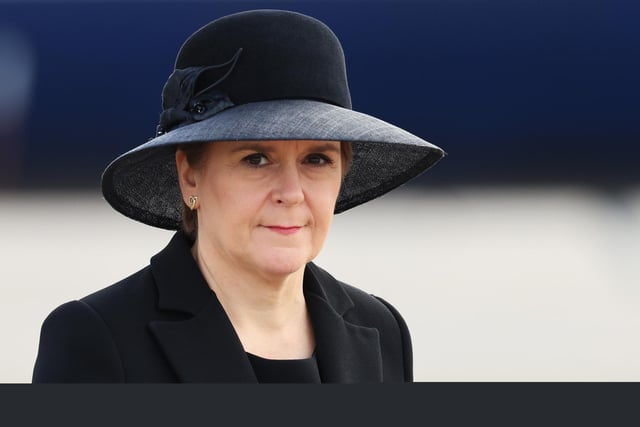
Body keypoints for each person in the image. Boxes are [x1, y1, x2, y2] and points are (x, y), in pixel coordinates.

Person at [32, 9, 445, 383]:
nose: (291, 193)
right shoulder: (97, 336)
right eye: (256, 159)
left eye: (317, 159)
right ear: (190, 176)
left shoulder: (382, 328)